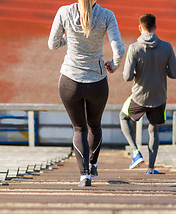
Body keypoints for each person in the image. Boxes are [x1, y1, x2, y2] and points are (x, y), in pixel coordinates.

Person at [48, 0, 125, 186]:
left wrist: (71, 37)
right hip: (97, 82)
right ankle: (93, 163)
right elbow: (120, 50)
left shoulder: (64, 12)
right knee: (94, 125)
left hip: (69, 81)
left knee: (79, 128)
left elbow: (52, 44)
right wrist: (113, 65)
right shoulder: (107, 15)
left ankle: (84, 175)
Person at [120, 13, 176, 174]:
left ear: (140, 28)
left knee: (123, 117)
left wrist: (136, 71)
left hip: (139, 96)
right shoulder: (167, 47)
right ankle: (151, 168)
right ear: (155, 27)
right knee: (154, 130)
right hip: (159, 98)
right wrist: (162, 67)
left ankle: (135, 152)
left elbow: (127, 77)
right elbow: (175, 74)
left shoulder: (134, 48)